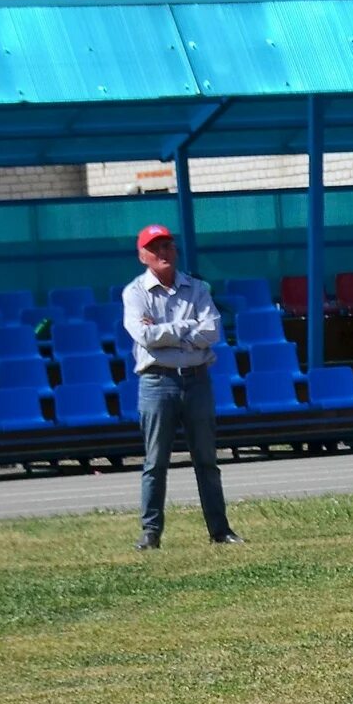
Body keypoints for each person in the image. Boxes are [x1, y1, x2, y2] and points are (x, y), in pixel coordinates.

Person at [119, 224, 243, 551]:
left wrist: (167, 332)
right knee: (155, 462)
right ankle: (150, 534)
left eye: (167, 246)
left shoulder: (197, 287)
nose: (163, 253)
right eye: (155, 247)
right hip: (157, 382)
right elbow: (144, 337)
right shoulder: (134, 293)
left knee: (206, 459)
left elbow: (212, 330)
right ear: (142, 255)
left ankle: (220, 530)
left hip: (196, 379)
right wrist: (188, 331)